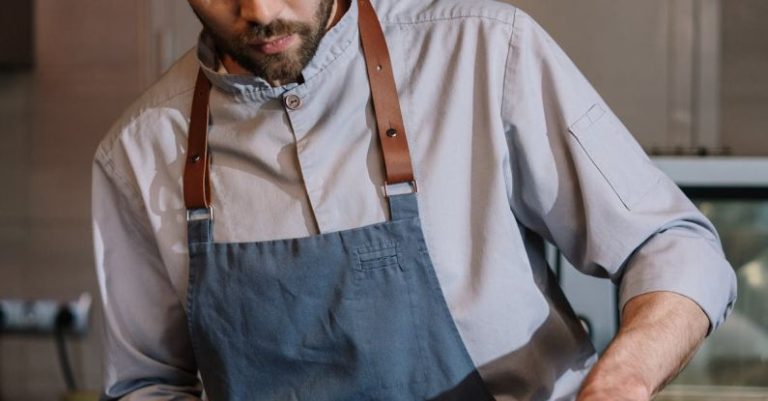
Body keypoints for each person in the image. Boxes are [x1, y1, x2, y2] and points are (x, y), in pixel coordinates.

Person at [91, 0, 737, 400]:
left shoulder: (484, 50)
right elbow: (149, 383)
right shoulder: (139, 152)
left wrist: (622, 379)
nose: (259, 11)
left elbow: (671, 243)